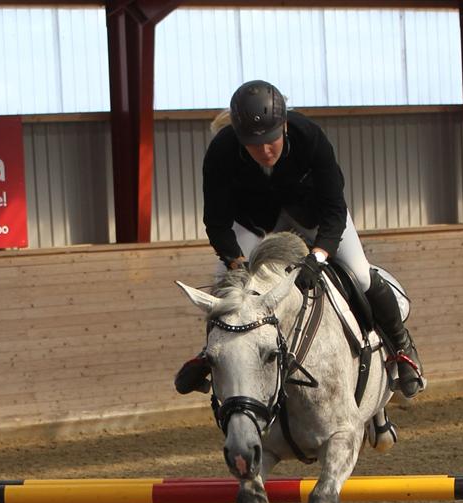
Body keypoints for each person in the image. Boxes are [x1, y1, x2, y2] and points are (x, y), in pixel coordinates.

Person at [174, 79, 424, 399]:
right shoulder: (222, 151)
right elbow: (217, 222)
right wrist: (236, 263)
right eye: (253, 143)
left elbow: (335, 209)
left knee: (360, 274)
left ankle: (402, 348)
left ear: (285, 125)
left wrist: (318, 256)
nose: (264, 151)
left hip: (316, 218)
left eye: (271, 141)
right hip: (257, 225)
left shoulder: (311, 138)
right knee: (228, 285)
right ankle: (210, 356)